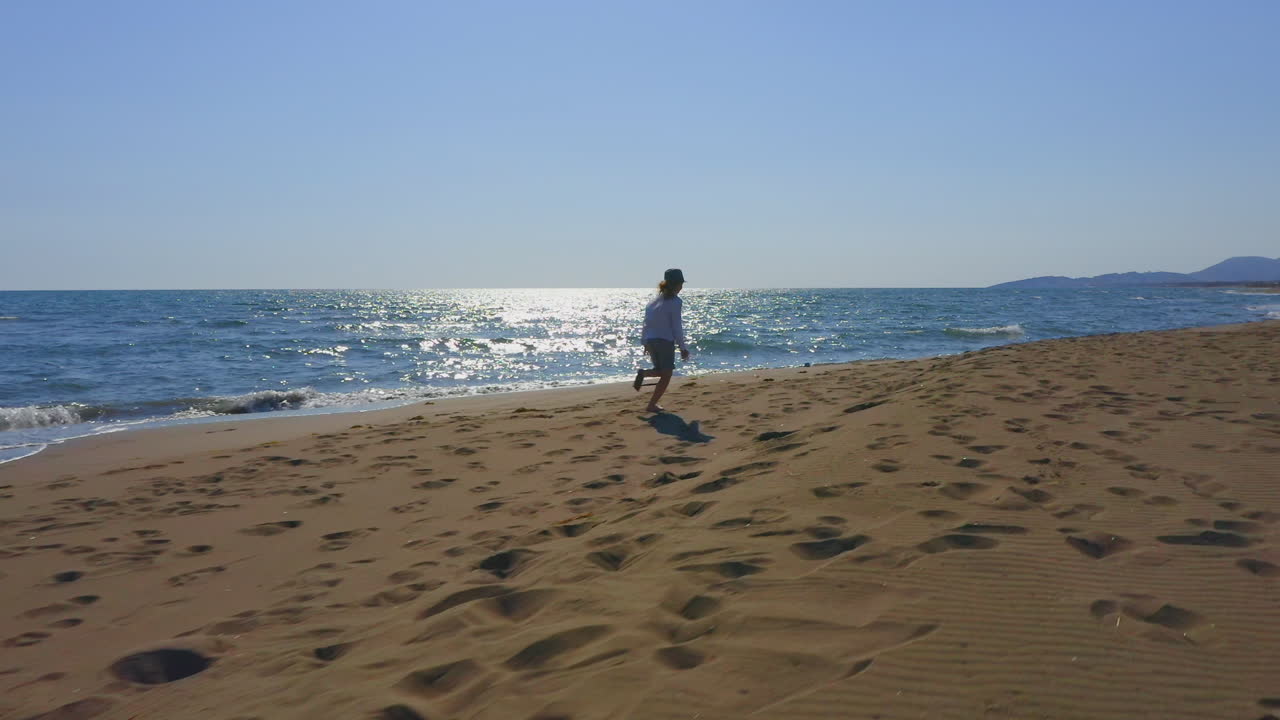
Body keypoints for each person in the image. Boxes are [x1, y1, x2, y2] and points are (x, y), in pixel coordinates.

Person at [634, 268, 690, 413]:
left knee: (660, 371)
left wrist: (645, 342)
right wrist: (682, 348)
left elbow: (646, 323)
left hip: (651, 340)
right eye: (681, 284)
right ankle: (652, 405)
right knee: (667, 375)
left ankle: (644, 374)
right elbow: (676, 326)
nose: (681, 287)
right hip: (665, 341)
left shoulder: (652, 302)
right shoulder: (675, 302)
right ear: (676, 284)